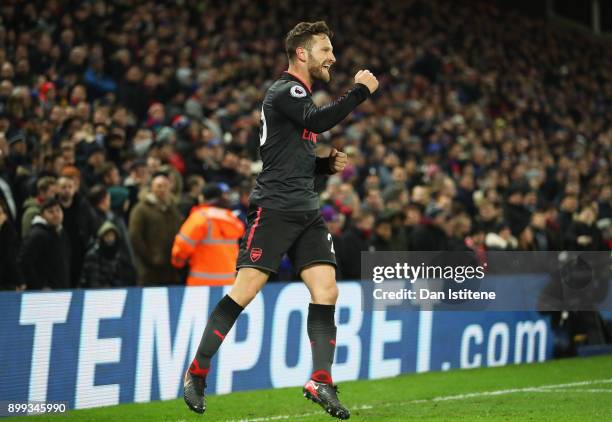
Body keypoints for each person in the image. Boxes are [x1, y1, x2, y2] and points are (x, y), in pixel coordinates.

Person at [183, 21, 378, 420]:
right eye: (325, 49)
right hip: (273, 210)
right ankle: (197, 372)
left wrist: (322, 165)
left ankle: (320, 379)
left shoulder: (297, 97)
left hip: (306, 210)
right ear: (303, 53)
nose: (333, 57)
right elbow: (319, 122)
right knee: (244, 291)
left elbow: (289, 156)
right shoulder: (286, 89)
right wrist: (359, 91)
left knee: (327, 291)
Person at [171, 183, 245, 285]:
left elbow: (182, 246)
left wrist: (178, 262)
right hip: (229, 281)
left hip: (201, 282)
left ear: (202, 198)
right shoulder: (231, 218)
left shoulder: (200, 217)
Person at [129, 172, 183, 285]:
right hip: (150, 270)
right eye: (159, 186)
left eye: (165, 186)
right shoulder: (141, 209)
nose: (162, 189)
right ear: (152, 188)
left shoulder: (173, 208)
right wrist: (150, 257)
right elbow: (135, 236)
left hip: (172, 268)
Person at [19, 198, 71, 290]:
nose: (56, 214)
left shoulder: (61, 232)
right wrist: (39, 286)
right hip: (44, 294)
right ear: (42, 215)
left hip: (60, 290)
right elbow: (25, 262)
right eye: (50, 212)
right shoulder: (37, 235)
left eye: (58, 210)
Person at [80, 221, 136, 288]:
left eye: (112, 235)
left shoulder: (120, 256)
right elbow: (93, 282)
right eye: (107, 236)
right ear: (101, 237)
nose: (110, 239)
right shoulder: (93, 256)